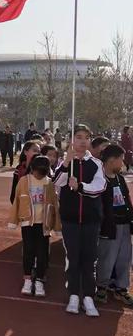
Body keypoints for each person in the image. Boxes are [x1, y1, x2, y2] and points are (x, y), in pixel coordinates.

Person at [54, 124, 106, 317]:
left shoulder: (96, 164)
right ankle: (74, 295)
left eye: (86, 137)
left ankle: (89, 297)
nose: (82, 141)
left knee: (90, 259)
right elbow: (56, 182)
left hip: (91, 220)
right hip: (71, 220)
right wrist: (66, 163)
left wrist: (81, 187)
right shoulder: (65, 162)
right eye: (78, 137)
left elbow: (99, 187)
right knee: (73, 258)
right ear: (72, 140)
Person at [9, 156, 60, 297]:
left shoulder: (49, 183)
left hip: (43, 225)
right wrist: (13, 221)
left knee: (43, 253)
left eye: (44, 172)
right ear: (32, 168)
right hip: (28, 224)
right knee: (28, 251)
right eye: (39, 171)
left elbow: (55, 205)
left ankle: (39, 280)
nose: (40, 175)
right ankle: (27, 279)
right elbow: (17, 201)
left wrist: (57, 226)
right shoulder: (24, 182)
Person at [95, 145, 133, 306]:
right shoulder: (100, 179)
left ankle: (121, 287)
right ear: (111, 161)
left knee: (124, 257)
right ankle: (102, 286)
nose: (123, 163)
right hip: (109, 226)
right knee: (107, 257)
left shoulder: (120, 178)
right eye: (121, 160)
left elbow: (127, 200)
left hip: (124, 224)